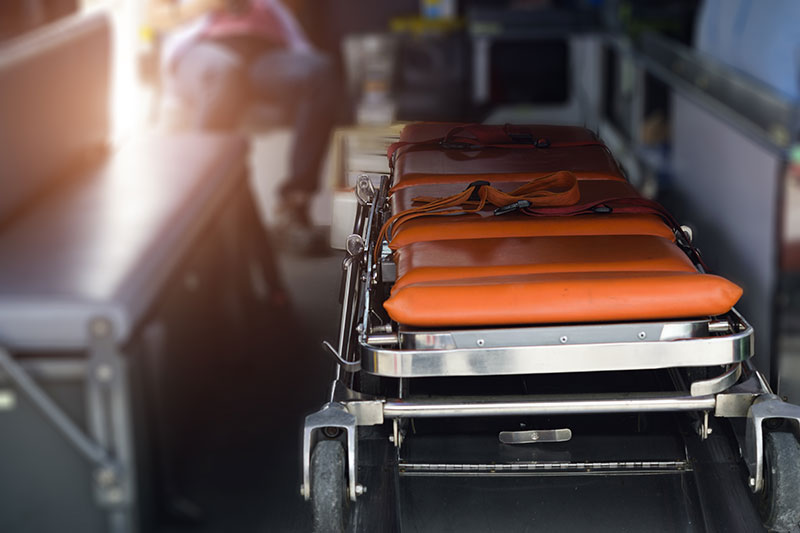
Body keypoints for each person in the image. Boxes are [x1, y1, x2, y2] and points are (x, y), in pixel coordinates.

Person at [146, 0, 337, 238]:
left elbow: (294, 7)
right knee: (223, 73)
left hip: (265, 52)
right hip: (202, 47)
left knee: (318, 72)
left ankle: (296, 203)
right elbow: (154, 17)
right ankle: (201, 212)